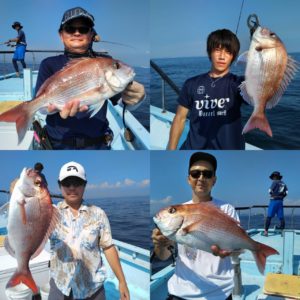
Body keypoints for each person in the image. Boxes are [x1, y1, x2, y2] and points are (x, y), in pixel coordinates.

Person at [34, 7, 145, 150]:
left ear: (91, 34)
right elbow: (41, 108)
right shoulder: (49, 64)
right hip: (57, 144)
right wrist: (52, 109)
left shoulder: (106, 60)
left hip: (98, 144)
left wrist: (136, 99)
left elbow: (123, 103)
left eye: (84, 29)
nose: (77, 32)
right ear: (61, 35)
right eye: (70, 28)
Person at [152, 152, 239, 300]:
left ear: (214, 180)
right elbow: (163, 255)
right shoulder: (179, 212)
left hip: (219, 293)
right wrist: (160, 245)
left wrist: (230, 251)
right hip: (181, 292)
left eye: (207, 174)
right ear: (188, 179)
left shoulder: (227, 209)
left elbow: (235, 248)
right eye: (195, 173)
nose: (201, 178)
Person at [48, 161, 129, 300]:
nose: (72, 187)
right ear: (59, 185)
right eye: (67, 183)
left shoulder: (98, 214)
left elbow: (108, 247)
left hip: (92, 289)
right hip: (60, 286)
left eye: (77, 182)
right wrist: (18, 192)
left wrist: (122, 281)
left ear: (85, 185)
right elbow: (26, 215)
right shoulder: (49, 213)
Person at [167, 29, 245, 150]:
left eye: (228, 52)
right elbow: (180, 118)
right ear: (210, 52)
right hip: (192, 148)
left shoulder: (238, 84)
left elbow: (260, 87)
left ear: (233, 56)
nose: (222, 56)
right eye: (217, 50)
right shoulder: (191, 84)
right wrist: (170, 149)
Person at [264, 171, 288, 236]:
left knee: (269, 216)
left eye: (273, 177)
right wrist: (281, 197)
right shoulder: (283, 183)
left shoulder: (275, 182)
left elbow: (269, 191)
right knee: (281, 217)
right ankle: (282, 230)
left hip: (274, 201)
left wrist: (273, 195)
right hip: (280, 202)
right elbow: (286, 192)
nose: (273, 178)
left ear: (275, 177)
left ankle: (266, 232)